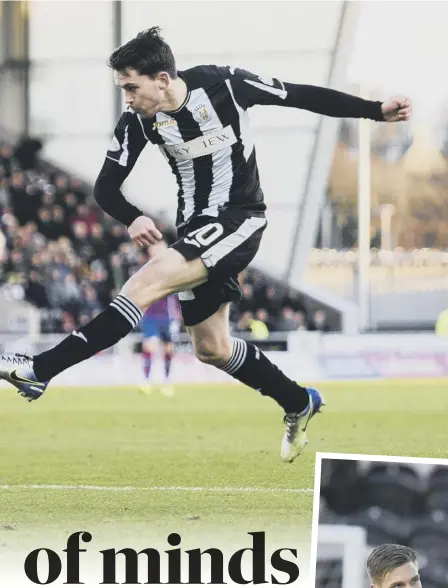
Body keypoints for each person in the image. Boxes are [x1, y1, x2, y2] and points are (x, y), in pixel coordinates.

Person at [0, 27, 412, 463]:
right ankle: (297, 401)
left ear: (161, 78)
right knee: (211, 347)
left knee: (146, 283)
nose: (127, 97)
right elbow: (105, 188)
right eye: (123, 88)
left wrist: (374, 111)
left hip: (240, 217)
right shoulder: (139, 122)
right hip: (195, 228)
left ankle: (38, 370)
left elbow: (297, 95)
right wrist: (133, 216)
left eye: (131, 87)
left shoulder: (226, 85)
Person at [139, 239, 180, 396]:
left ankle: (167, 382)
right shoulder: (146, 270)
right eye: (154, 249)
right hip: (150, 315)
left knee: (168, 349)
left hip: (168, 316)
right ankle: (146, 381)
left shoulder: (172, 270)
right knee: (150, 345)